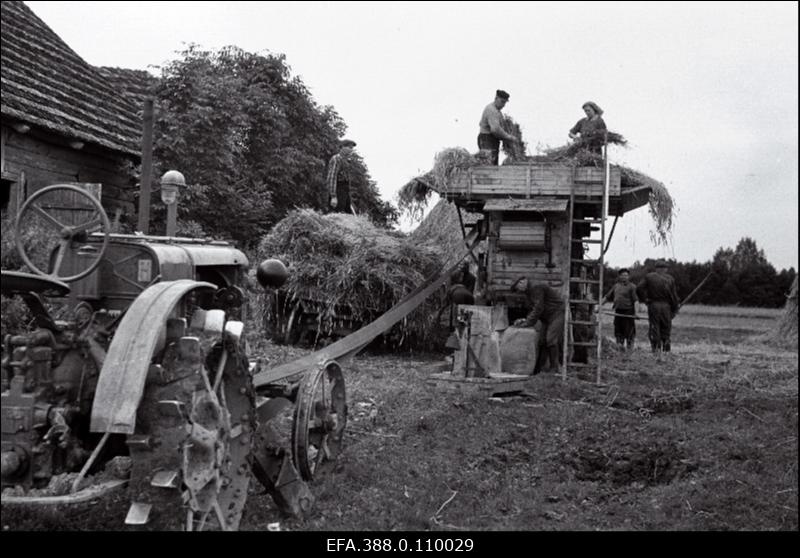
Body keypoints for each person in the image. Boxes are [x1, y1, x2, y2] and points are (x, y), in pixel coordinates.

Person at [512, 277, 565, 374]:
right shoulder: (529, 291)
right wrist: (525, 320)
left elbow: (538, 308)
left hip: (556, 313)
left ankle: (555, 368)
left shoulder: (535, 287)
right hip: (547, 316)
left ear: (522, 282)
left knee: (551, 339)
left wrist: (527, 323)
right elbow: (533, 308)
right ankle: (539, 368)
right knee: (542, 341)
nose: (518, 290)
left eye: (518, 287)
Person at [637, 260, 680, 354]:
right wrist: (675, 308)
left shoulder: (649, 276)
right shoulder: (670, 279)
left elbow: (639, 288)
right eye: (665, 268)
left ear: (656, 268)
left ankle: (656, 349)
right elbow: (674, 296)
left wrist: (645, 300)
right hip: (666, 306)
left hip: (653, 305)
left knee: (654, 327)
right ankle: (666, 350)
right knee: (666, 327)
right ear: (665, 269)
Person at [478, 90, 518, 165]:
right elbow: (495, 129)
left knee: (493, 164)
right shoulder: (491, 110)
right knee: (488, 164)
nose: (503, 105)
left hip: (492, 140)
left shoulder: (498, 111)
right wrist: (509, 137)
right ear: (496, 98)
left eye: (505, 103)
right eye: (502, 101)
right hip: (486, 139)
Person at [604, 268, 639, 350]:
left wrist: (636, 313)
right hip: (618, 312)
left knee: (629, 333)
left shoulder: (632, 287)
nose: (624, 277)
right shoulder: (616, 286)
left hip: (628, 312)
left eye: (626, 275)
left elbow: (636, 301)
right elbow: (607, 297)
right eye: (622, 275)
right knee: (618, 332)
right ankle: (620, 349)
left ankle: (630, 350)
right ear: (619, 276)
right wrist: (599, 306)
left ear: (628, 276)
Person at [326, 139, 356, 213]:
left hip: (345, 190)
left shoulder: (346, 161)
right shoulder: (336, 158)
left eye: (352, 148)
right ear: (342, 147)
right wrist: (333, 196)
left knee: (348, 213)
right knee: (337, 213)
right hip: (338, 189)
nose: (351, 150)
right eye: (349, 147)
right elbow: (332, 177)